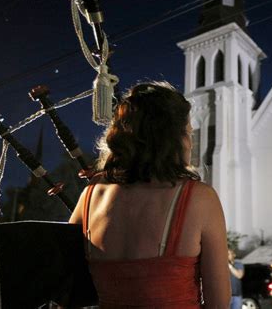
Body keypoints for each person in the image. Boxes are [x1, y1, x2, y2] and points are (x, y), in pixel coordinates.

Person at [69, 81, 231, 308]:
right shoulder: (198, 198)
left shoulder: (91, 194)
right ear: (171, 139)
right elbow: (219, 303)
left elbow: (68, 282)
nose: (190, 143)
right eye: (187, 133)